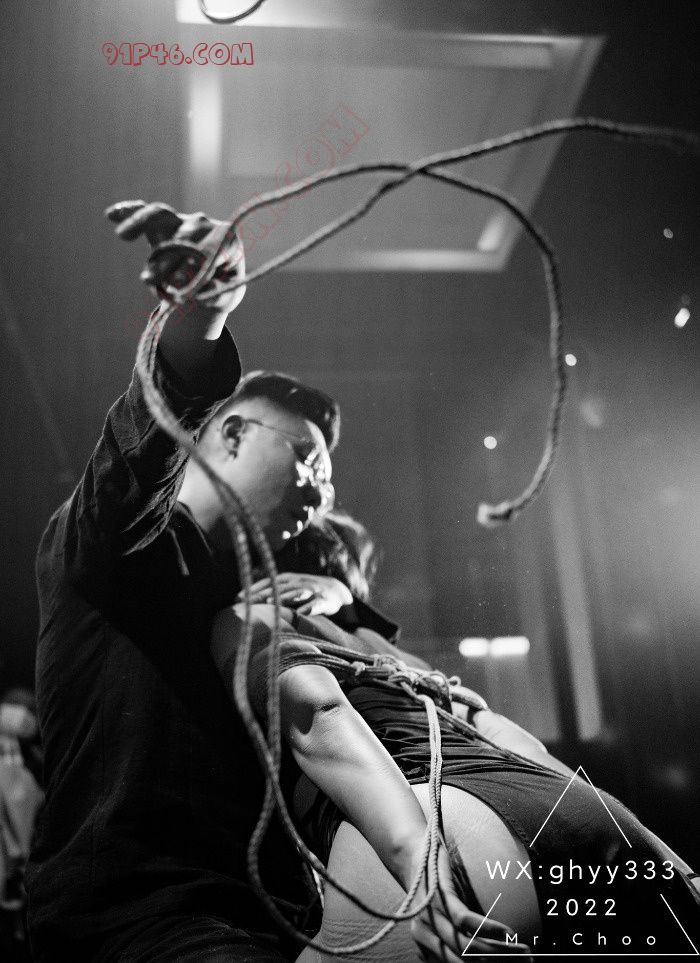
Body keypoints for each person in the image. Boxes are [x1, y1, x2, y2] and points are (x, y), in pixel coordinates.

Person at [26, 201, 515, 963]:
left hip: (268, 918)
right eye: (308, 461)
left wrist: (340, 598)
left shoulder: (254, 594)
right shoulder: (122, 540)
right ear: (231, 431)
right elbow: (134, 460)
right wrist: (200, 319)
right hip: (140, 916)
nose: (320, 494)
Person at [211, 512, 700, 960]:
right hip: (583, 816)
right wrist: (668, 860)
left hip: (443, 828)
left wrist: (425, 877)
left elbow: (321, 712)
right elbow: (521, 746)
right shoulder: (404, 659)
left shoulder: (250, 618)